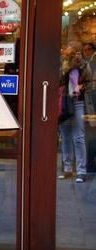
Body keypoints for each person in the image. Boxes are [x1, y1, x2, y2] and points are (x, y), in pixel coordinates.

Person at [58, 45, 90, 183]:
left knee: (78, 137)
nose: (70, 54)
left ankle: (81, 171)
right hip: (64, 102)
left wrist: (80, 63)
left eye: (73, 52)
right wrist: (66, 67)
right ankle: (67, 169)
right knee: (65, 137)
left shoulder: (83, 65)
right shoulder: (60, 65)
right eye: (68, 52)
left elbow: (88, 81)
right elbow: (57, 81)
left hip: (77, 102)